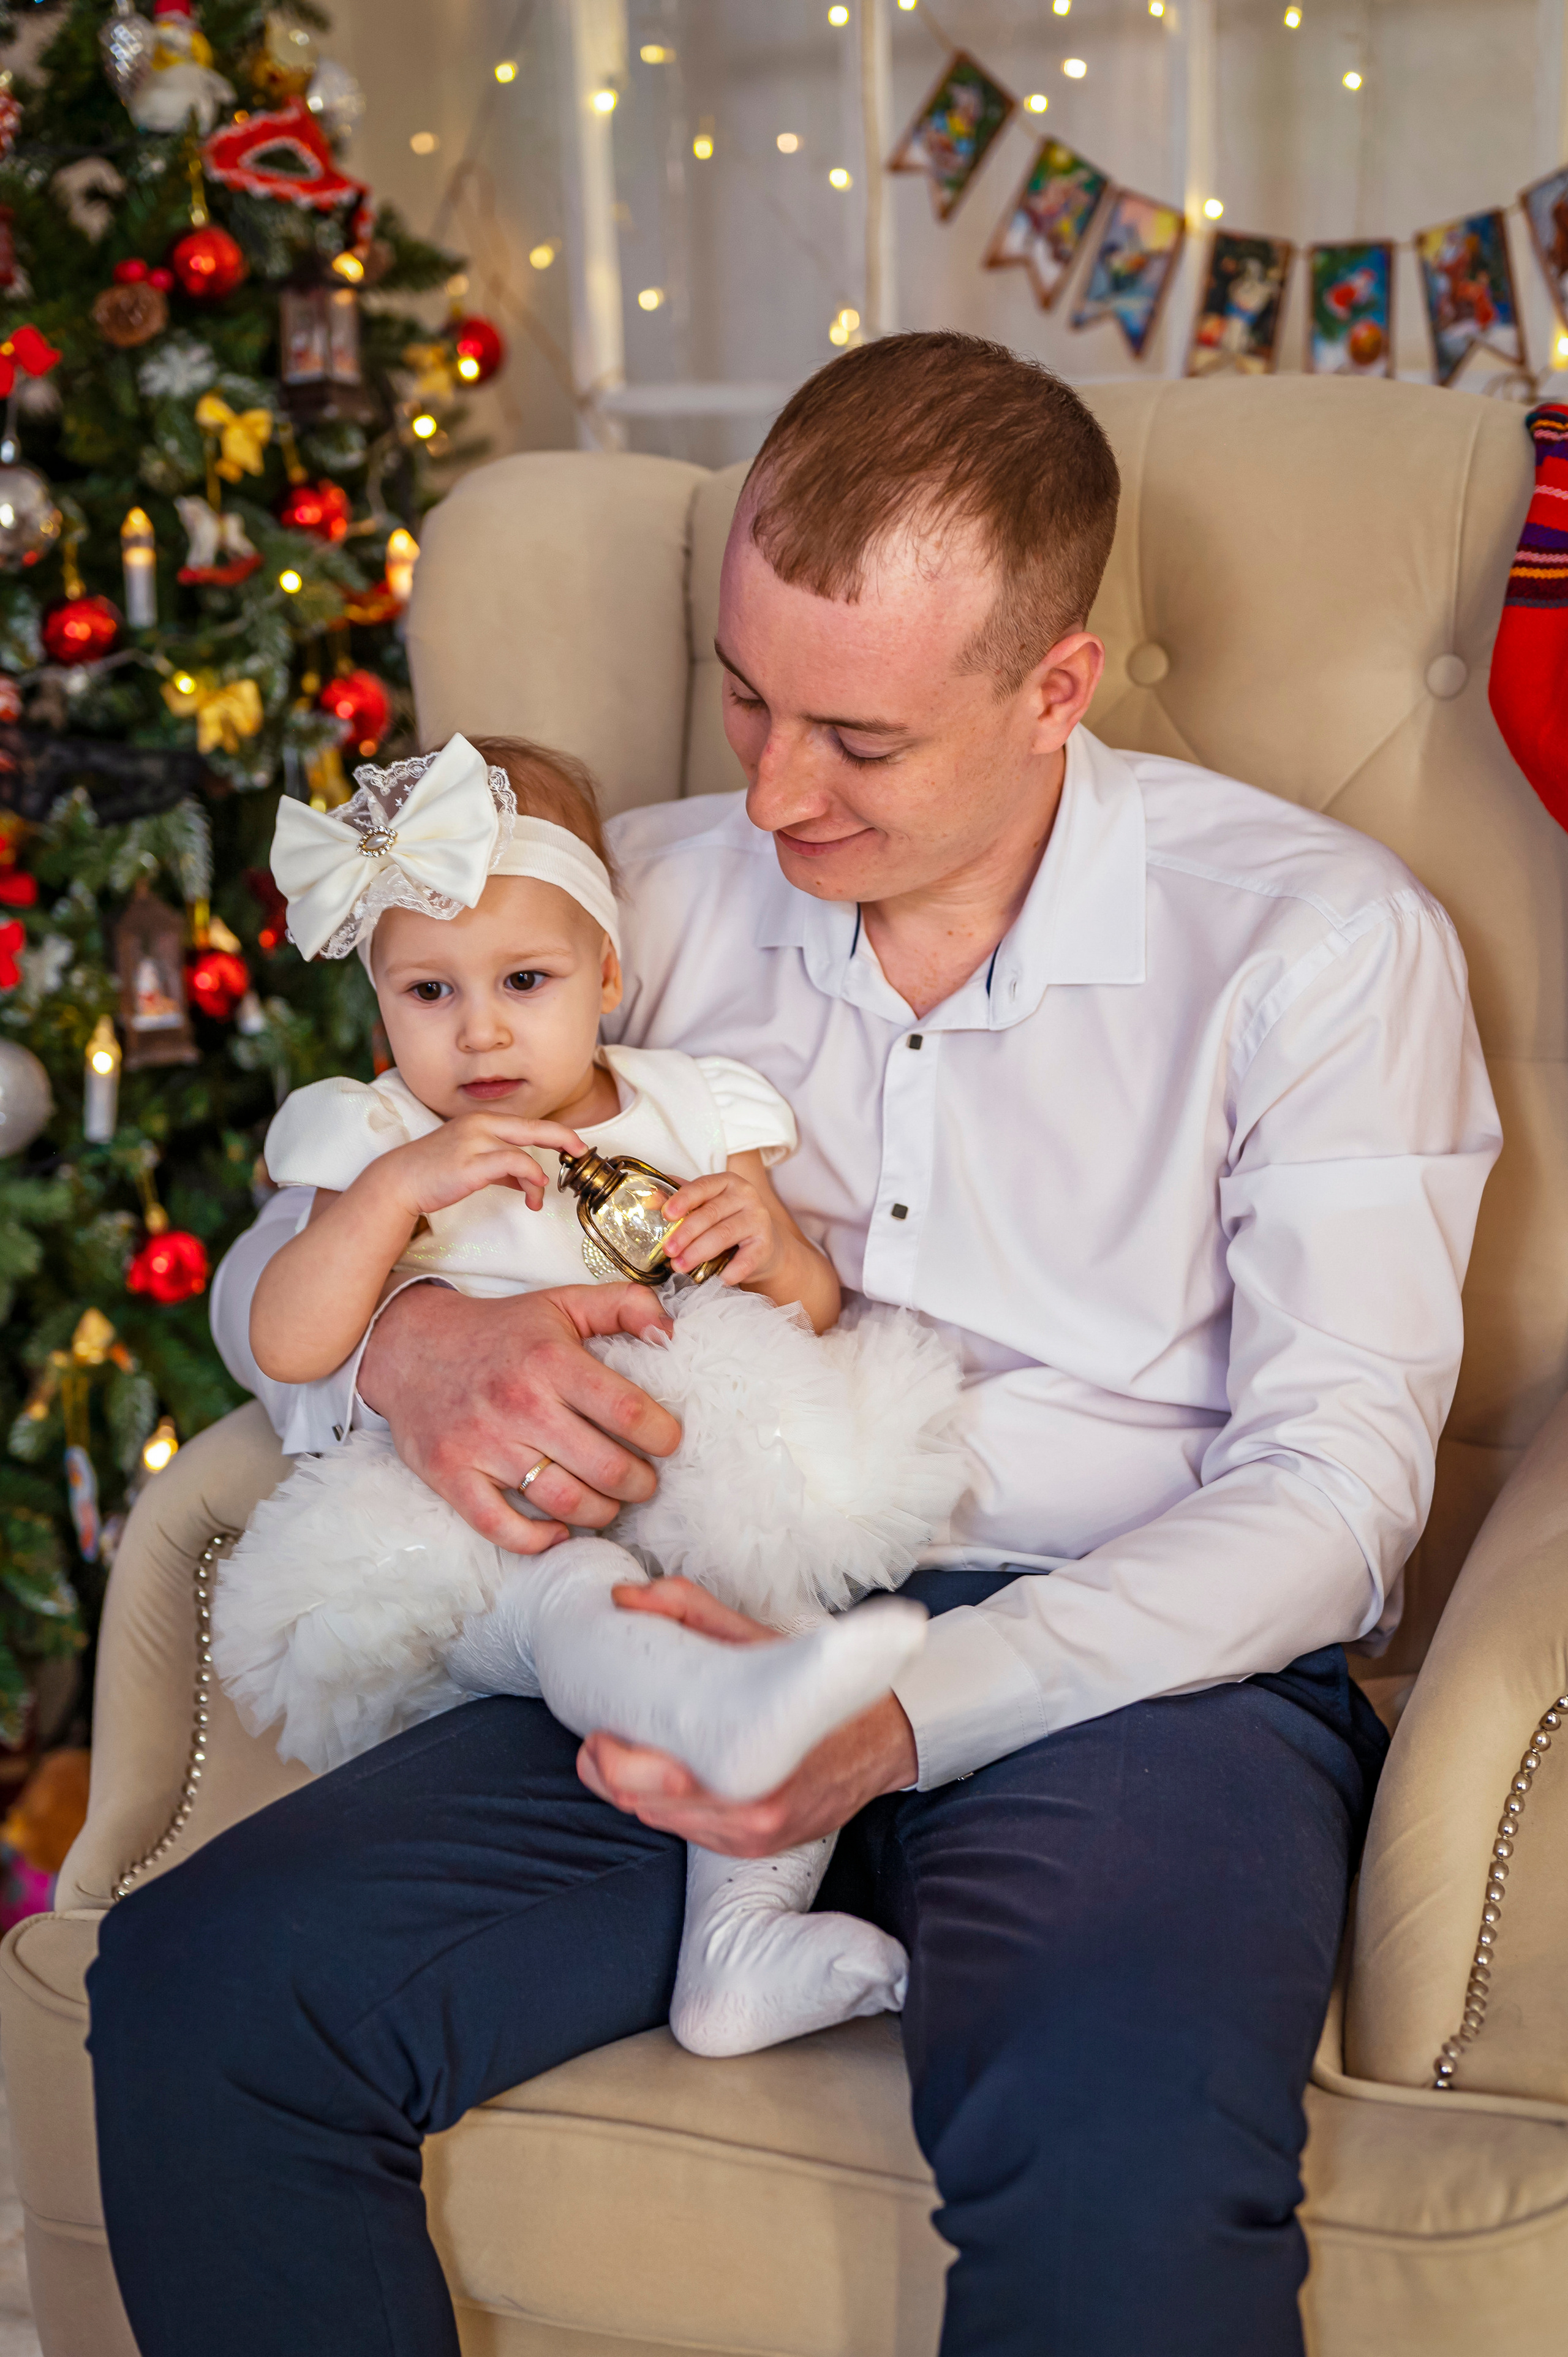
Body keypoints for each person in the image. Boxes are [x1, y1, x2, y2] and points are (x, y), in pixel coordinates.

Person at [88, 332, 1501, 2357]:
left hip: (1139, 1669)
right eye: (746, 694)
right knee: (210, 1986)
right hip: (691, 1608)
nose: (770, 790)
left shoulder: (1317, 944)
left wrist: (909, 1714)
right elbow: (284, 1256)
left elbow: (1338, 1496)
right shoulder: (635, 896)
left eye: (858, 738)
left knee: (1114, 2161)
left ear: (1055, 690)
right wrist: (412, 1340)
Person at [214, 725, 959, 2059]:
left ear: (606, 972)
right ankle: (695, 1707)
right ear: (380, 1005)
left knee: (779, 1611)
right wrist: (389, 1199)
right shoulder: (380, 1137)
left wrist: (771, 1247)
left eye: (525, 979)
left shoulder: (692, 1111)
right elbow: (290, 1339)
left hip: (680, 1482)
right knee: (577, 1592)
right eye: (427, 992)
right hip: (485, 1526)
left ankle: (739, 1946)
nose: (480, 1029)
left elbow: (806, 1314)